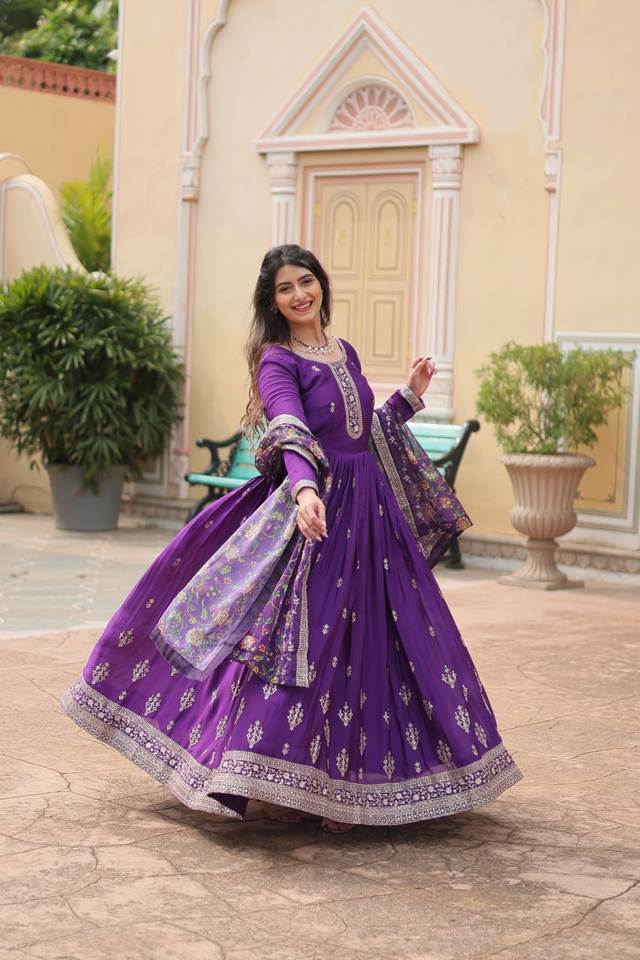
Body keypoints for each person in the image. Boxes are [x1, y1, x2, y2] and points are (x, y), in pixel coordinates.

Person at [60, 244, 523, 834]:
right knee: (307, 644)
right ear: (273, 302)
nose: (300, 294)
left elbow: (360, 434)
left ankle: (354, 786)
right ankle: (284, 778)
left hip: (370, 519)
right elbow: (290, 429)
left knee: (376, 641)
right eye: (286, 289)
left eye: (306, 282)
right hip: (318, 517)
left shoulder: (344, 351)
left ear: (321, 284)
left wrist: (406, 396)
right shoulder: (277, 361)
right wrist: (305, 492)